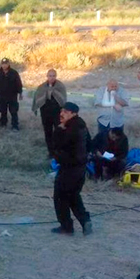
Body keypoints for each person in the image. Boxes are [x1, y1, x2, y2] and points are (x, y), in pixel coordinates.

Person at [51, 102, 92, 236]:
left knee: (60, 197)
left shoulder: (71, 129)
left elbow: (59, 144)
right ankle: (85, 220)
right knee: (73, 196)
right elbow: (90, 144)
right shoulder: (81, 126)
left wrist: (58, 130)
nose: (62, 114)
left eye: (66, 112)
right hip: (79, 168)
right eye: (62, 111)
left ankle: (66, 226)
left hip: (69, 168)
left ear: (74, 114)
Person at [32, 69, 67, 158]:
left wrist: (53, 92)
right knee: (48, 132)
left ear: (56, 76)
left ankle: (59, 151)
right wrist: (36, 106)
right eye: (50, 76)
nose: (51, 77)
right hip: (45, 113)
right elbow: (37, 98)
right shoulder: (42, 87)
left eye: (53, 76)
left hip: (57, 113)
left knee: (58, 132)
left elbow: (63, 99)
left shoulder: (60, 86)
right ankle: (50, 152)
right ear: (47, 76)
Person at [0, 58, 24, 131]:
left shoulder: (14, 73)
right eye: (3, 64)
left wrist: (20, 93)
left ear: (8, 64)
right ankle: (3, 124)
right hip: (2, 96)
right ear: (1, 64)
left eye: (6, 64)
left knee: (13, 111)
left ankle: (15, 125)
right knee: (3, 110)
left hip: (12, 96)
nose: (4, 65)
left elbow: (19, 84)